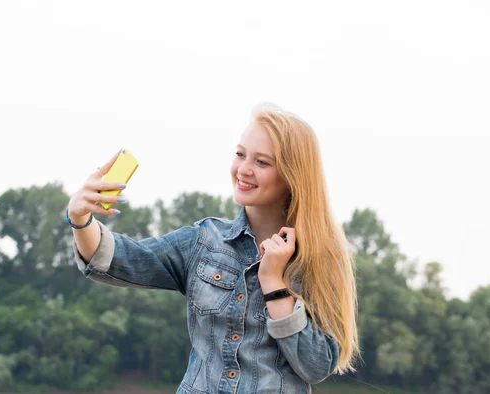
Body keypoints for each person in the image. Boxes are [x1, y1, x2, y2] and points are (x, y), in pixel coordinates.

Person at [67, 103, 359, 393]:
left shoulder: (322, 258)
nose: (243, 170)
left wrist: (274, 283)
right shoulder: (204, 240)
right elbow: (118, 260)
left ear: (292, 176)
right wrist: (80, 218)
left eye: (262, 162)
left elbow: (316, 366)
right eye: (240, 154)